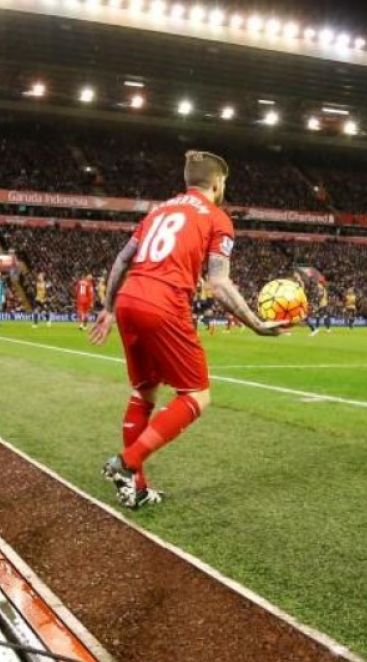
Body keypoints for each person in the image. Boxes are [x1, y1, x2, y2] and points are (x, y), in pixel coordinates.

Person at [89, 150, 283, 509]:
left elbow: (121, 259)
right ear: (217, 182)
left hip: (130, 298)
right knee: (196, 395)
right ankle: (126, 464)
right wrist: (256, 323)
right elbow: (220, 283)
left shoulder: (158, 211)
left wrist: (107, 308)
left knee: (144, 393)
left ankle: (137, 489)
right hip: (164, 302)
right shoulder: (217, 218)